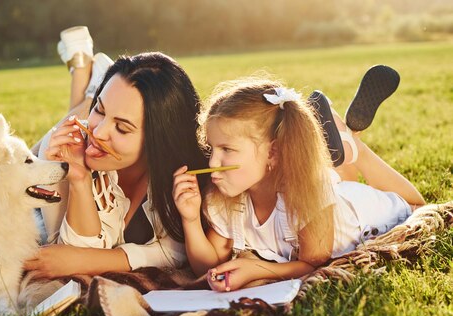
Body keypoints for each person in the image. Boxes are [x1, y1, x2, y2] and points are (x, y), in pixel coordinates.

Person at [172, 75, 425, 292]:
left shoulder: (306, 196)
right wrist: (191, 219)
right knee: (334, 182)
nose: (213, 161)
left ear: (272, 153)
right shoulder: (228, 197)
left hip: (363, 213)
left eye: (227, 149)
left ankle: (354, 148)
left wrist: (257, 270)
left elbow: (313, 264)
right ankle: (341, 141)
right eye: (211, 147)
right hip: (332, 200)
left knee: (416, 206)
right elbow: (208, 266)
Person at [25, 27, 209, 278]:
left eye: (122, 127)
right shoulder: (62, 154)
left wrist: (111, 259)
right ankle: (90, 88)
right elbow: (72, 256)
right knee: (37, 149)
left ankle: (88, 82)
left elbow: (175, 250)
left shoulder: (186, 172)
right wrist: (79, 181)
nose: (99, 133)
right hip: (46, 165)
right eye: (99, 109)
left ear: (158, 141)